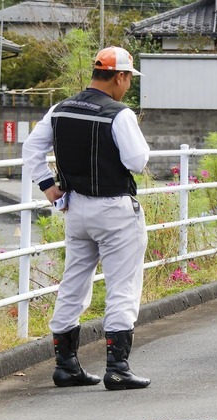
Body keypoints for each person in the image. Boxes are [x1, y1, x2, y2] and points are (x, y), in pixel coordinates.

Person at [22, 46, 152, 389]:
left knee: (74, 283)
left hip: (75, 207)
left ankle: (66, 366)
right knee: (123, 285)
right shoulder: (119, 114)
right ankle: (118, 368)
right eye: (128, 80)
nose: (128, 87)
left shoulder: (59, 109)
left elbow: (31, 150)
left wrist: (50, 188)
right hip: (115, 209)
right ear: (120, 77)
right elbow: (137, 161)